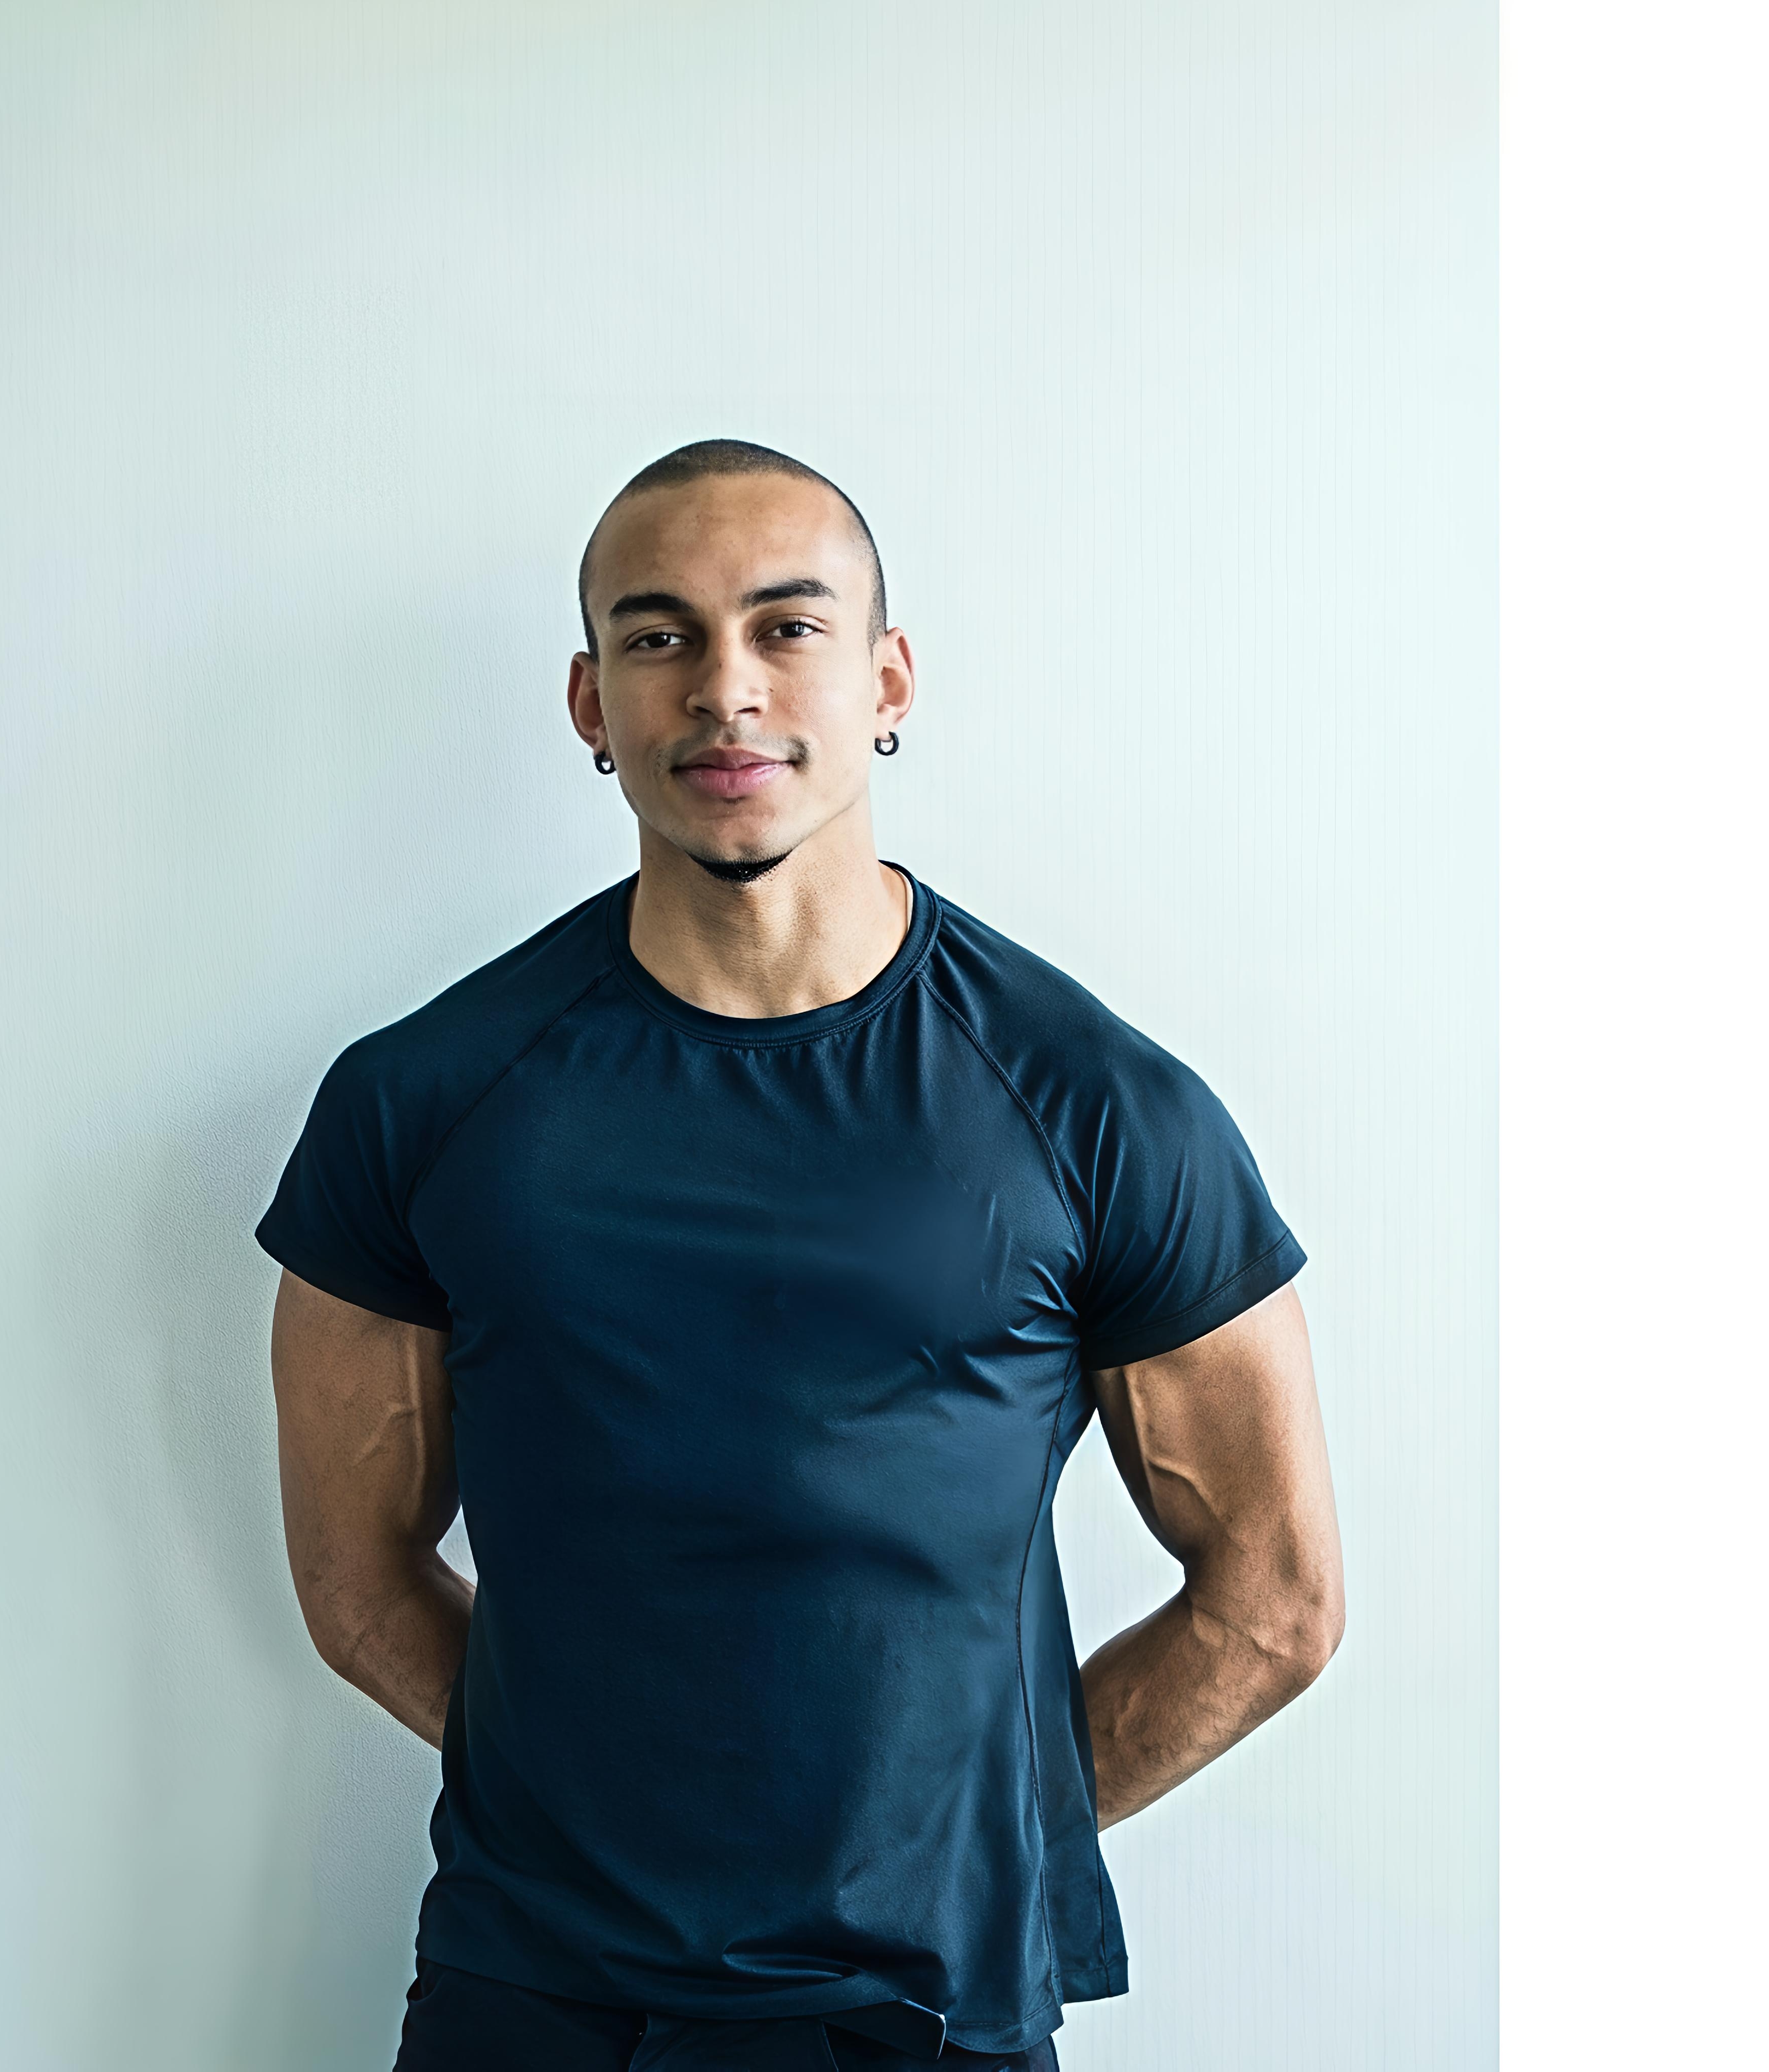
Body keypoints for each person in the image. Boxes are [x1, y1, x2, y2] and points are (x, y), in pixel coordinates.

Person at [257, 440, 1344, 2071]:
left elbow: (1277, 1601)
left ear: (887, 678)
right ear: (590, 702)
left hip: (927, 2019)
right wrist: (604, 1817)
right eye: (659, 637)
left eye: (787, 627)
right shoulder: (421, 1100)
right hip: (536, 2006)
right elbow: (355, 1583)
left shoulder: (1096, 1104)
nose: (725, 689)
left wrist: (958, 1837)